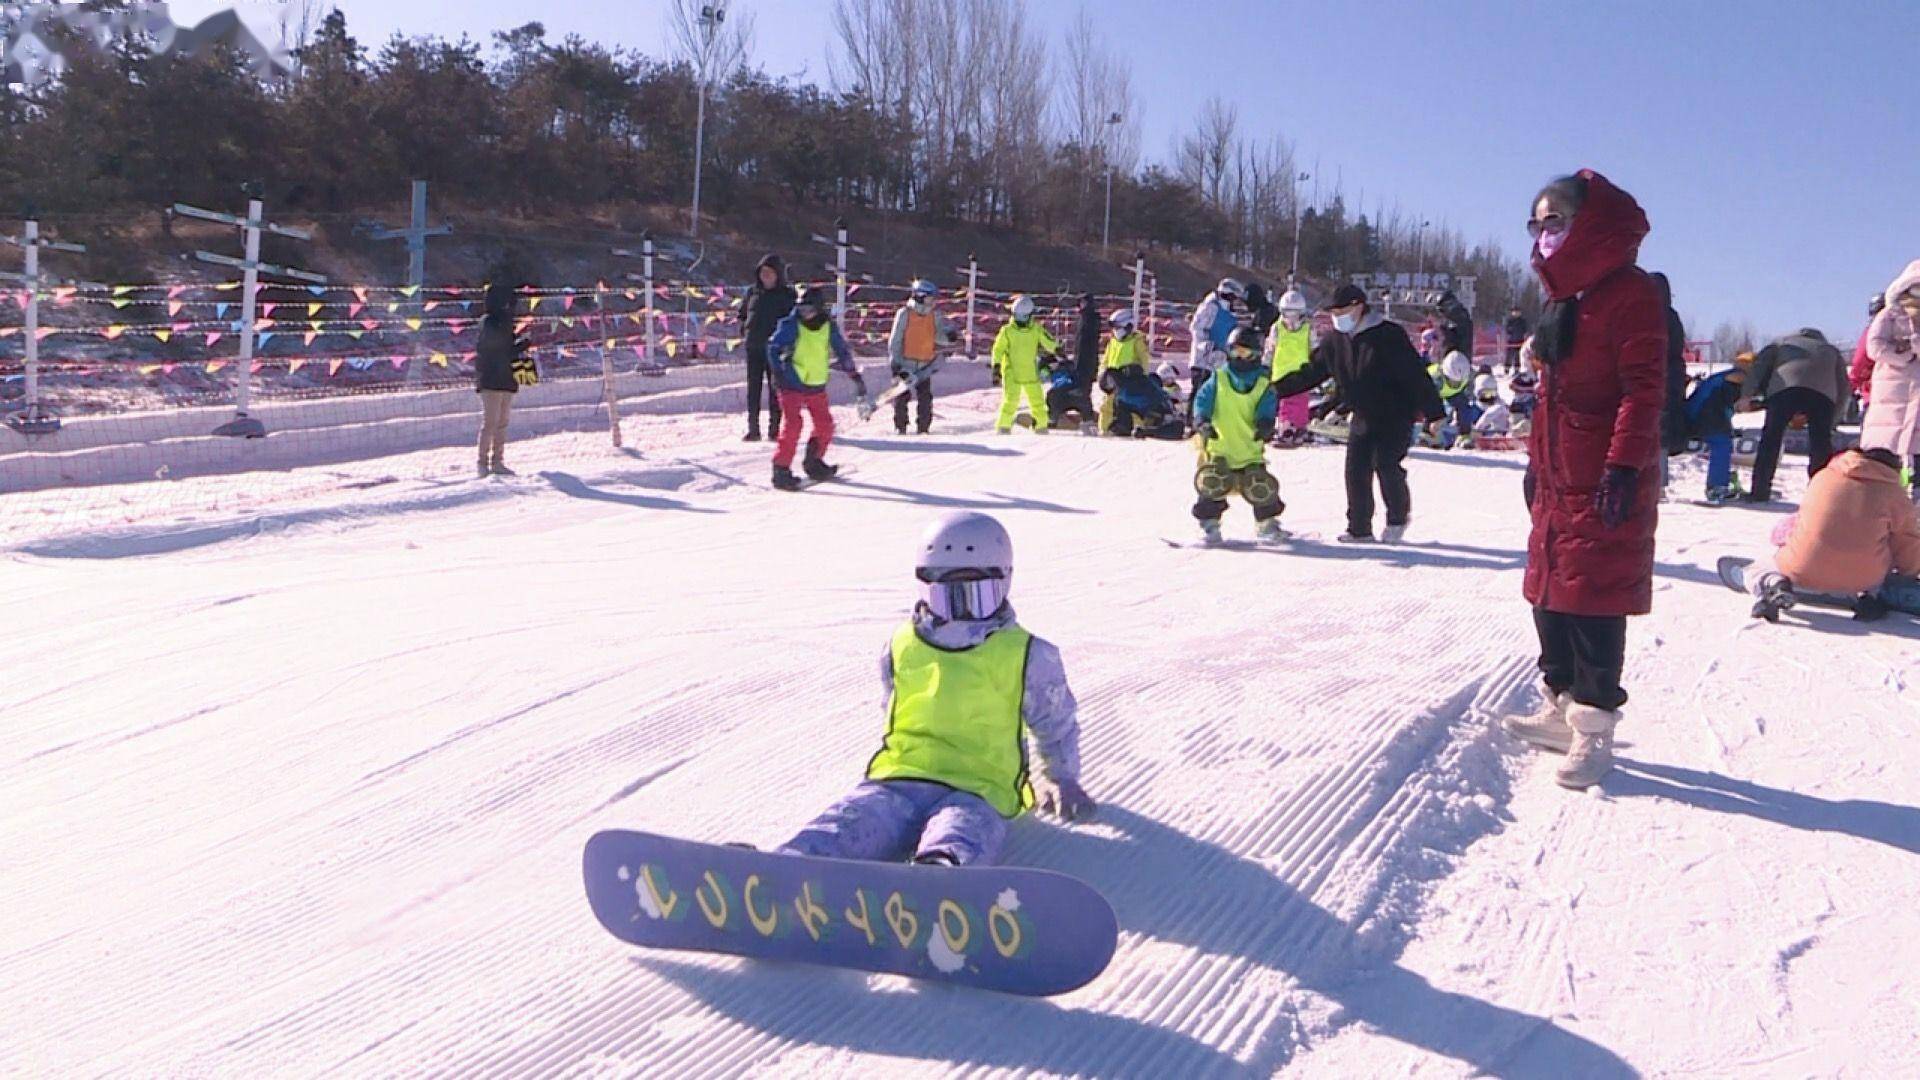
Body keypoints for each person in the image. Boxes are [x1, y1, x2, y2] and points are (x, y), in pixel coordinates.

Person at [779, 511, 1093, 868]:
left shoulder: (1028, 655)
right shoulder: (901, 644)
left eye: (976, 596)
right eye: (947, 597)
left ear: (1004, 581)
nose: (959, 613)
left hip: (981, 788)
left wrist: (1061, 777)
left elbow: (1056, 722)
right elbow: (894, 710)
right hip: (900, 778)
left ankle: (939, 875)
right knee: (852, 820)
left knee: (961, 831)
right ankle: (789, 864)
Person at [1502, 170, 1666, 792]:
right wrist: (1537, 463)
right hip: (1557, 469)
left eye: (1555, 224)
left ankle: (1594, 731)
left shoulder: (1632, 293)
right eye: (1538, 225)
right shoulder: (1561, 298)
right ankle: (1560, 703)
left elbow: (1644, 388)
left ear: (1588, 227)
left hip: (1602, 471)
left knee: (1594, 596)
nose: (1544, 237)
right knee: (1550, 591)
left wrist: (1623, 465)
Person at [1271, 283, 1444, 543]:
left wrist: (1434, 413)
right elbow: (1311, 373)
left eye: (1342, 311)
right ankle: (1359, 528)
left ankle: (1397, 518)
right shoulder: (1334, 341)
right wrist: (1272, 391)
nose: (1337, 317)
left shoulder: (1388, 335)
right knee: (1356, 470)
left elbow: (1414, 375)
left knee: (1385, 464)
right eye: (1333, 312)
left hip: (1396, 412)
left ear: (1359, 307)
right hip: (1363, 413)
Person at [1740, 448, 1920, 621]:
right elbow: (1908, 542)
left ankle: (1774, 584)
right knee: (1882, 554)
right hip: (1863, 576)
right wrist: (1909, 572)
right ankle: (1870, 598)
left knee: (1756, 569)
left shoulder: (1823, 476)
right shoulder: (1894, 494)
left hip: (1803, 568)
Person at [767, 286, 867, 490]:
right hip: (791, 382)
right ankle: (781, 469)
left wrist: (852, 373)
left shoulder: (828, 326)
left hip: (816, 383)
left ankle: (813, 461)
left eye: (809, 310)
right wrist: (778, 371)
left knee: (825, 425)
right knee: (793, 425)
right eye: (802, 309)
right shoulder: (790, 324)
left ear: (819, 309)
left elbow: (842, 350)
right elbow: (773, 348)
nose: (805, 314)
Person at [1192, 328, 1285, 544]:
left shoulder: (1263, 384)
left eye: (1246, 354)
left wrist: (1265, 424)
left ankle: (1267, 525)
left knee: (1260, 487)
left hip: (1249, 450)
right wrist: (1202, 421)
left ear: (1257, 354)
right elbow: (1202, 400)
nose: (1240, 359)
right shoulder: (1220, 378)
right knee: (1212, 486)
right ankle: (1209, 525)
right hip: (1220, 448)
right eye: (1235, 353)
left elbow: (1267, 407)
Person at [1739, 327, 1849, 502]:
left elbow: (1759, 367)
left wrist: (1747, 395)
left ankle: (1760, 491)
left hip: (1784, 391)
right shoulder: (1831, 351)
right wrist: (1832, 421)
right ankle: (1821, 495)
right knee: (1820, 445)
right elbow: (1844, 389)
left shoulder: (1781, 342)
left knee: (1771, 440)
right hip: (1822, 396)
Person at [1863, 260, 1920, 496]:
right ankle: (1878, 498)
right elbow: (1873, 346)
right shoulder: (1890, 314)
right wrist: (1904, 356)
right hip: (1893, 389)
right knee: (1885, 447)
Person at [887, 279, 959, 435]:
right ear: (919, 296)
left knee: (925, 398)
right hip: (905, 363)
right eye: (929, 298)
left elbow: (937, 336)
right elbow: (895, 339)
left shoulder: (934, 315)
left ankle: (923, 428)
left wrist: (949, 338)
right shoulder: (905, 314)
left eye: (933, 299)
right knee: (901, 396)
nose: (932, 302)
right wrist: (896, 361)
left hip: (925, 364)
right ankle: (900, 426)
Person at [739, 254, 796, 442]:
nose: (766, 276)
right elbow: (743, 314)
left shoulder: (787, 296)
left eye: (770, 273)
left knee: (775, 389)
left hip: (776, 349)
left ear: (778, 275)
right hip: (753, 346)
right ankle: (753, 428)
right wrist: (744, 329)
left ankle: (775, 428)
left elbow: (791, 322)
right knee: (753, 389)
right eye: (763, 273)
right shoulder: (752, 292)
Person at [473, 281, 525, 477]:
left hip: (505, 376)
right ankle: (482, 462)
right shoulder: (489, 322)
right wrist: (517, 346)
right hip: (491, 378)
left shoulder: (503, 323)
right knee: (491, 422)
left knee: (502, 422)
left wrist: (520, 345)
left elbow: (507, 349)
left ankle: (497, 461)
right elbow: (495, 349)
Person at [991, 295, 1061, 434]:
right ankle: (1003, 426)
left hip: (1029, 370)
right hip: (1012, 371)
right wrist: (996, 366)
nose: (1019, 320)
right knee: (1011, 400)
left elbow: (1047, 340)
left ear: (1029, 315)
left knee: (1037, 400)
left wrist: (1056, 348)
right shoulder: (1008, 331)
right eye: (1017, 316)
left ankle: (1041, 426)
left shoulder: (1035, 329)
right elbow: (998, 349)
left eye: (1023, 317)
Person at [1649, 272, 1690, 494]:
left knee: (1654, 425)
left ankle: (1658, 481)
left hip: (1656, 370)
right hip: (1673, 372)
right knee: (1663, 425)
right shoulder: (1672, 316)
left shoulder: (1649, 314)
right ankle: (1659, 480)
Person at [1684, 365, 1747, 503]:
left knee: (1724, 442)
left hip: (1701, 414)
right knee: (1721, 444)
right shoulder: (1732, 379)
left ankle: (1723, 481)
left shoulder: (1719, 380)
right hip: (1701, 416)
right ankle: (1717, 487)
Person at [1188, 278, 1245, 414]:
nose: (1235, 301)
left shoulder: (1230, 312)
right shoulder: (1210, 307)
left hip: (1220, 360)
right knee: (1200, 391)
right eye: (1234, 297)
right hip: (1204, 359)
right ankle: (1192, 421)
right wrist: (1207, 347)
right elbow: (1197, 328)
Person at [1268, 289, 1315, 445]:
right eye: (1287, 313)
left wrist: (1317, 366)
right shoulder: (1277, 328)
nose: (1291, 318)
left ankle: (1301, 427)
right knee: (1286, 403)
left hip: (1302, 372)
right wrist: (1264, 365)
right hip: (1282, 373)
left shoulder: (1308, 328)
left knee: (1301, 401)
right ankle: (1286, 429)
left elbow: (1314, 347)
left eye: (1294, 313)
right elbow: (1270, 348)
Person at [1099, 308, 1153, 435]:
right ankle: (1104, 430)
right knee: (1106, 406)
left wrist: (1141, 375)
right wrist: (1102, 374)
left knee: (1133, 406)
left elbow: (1144, 360)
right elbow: (1105, 360)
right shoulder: (1113, 342)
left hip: (1130, 380)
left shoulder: (1137, 341)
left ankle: (1139, 429)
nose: (1115, 330)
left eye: (1118, 327)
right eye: (1114, 327)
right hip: (1113, 380)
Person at [1849, 293, 1886, 409]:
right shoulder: (1910, 330)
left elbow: (1860, 363)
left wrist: (1850, 387)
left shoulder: (1873, 333)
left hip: (1877, 395)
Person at [1438, 289, 1475, 363]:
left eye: (1442, 310)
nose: (1442, 313)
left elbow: (1452, 341)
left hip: (1457, 360)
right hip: (1454, 358)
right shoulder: (1455, 318)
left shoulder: (1459, 319)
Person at [1502, 306, 1529, 373]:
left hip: (1520, 341)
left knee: (1518, 356)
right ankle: (1507, 368)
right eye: (1514, 311)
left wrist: (1525, 337)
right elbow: (1506, 329)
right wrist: (1509, 331)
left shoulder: (1522, 321)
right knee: (1509, 355)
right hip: (1511, 341)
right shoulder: (1509, 320)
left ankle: (1517, 369)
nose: (1516, 313)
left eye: (1518, 311)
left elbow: (1525, 330)